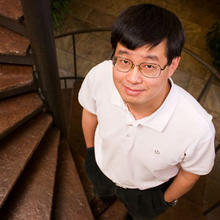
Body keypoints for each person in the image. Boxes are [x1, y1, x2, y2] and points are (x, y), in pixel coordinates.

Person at [78, 3, 215, 220]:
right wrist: (90, 151)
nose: (132, 79)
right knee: (101, 191)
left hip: (147, 190)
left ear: (172, 65)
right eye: (124, 61)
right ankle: (102, 199)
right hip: (101, 164)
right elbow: (90, 112)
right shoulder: (100, 76)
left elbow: (192, 171)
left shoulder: (197, 128)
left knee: (137, 214)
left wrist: (164, 200)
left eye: (149, 66)